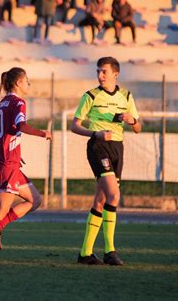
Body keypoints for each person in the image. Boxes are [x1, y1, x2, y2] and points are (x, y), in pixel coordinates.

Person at [0, 67, 52, 263]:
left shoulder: (2, 103)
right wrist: (43, 133)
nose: (28, 84)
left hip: (8, 160)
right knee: (0, 208)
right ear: (18, 83)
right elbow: (21, 126)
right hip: (7, 162)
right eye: (26, 81)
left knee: (35, 200)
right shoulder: (18, 102)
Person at [71, 57, 141, 266]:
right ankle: (110, 251)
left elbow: (138, 128)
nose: (100, 76)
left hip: (117, 149)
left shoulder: (126, 96)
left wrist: (133, 121)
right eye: (98, 71)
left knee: (101, 201)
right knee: (114, 195)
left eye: (104, 72)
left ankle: (85, 253)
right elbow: (74, 126)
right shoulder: (90, 96)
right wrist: (96, 134)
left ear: (115, 74)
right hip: (98, 147)